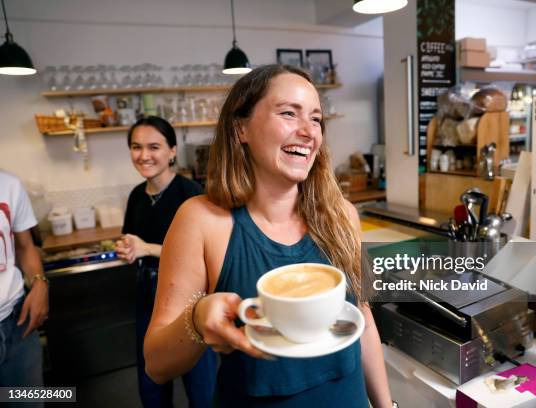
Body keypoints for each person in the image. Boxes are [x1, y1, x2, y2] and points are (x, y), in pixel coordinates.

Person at [143, 65, 392, 407]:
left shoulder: (343, 215)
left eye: (316, 119)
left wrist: (386, 405)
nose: (309, 132)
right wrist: (197, 318)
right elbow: (156, 365)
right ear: (240, 127)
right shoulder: (201, 220)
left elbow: (362, 319)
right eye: (289, 113)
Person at [115, 116, 216, 408]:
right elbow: (133, 238)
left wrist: (146, 248)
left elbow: (207, 254)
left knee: (202, 387)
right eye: (136, 147)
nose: (144, 155)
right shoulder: (136, 196)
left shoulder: (191, 196)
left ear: (172, 151)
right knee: (151, 384)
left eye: (154, 147)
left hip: (189, 300)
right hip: (147, 295)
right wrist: (129, 247)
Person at [0, 171, 48, 401]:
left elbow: (24, 246)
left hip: (17, 324)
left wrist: (39, 284)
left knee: (28, 400)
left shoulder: (9, 184)